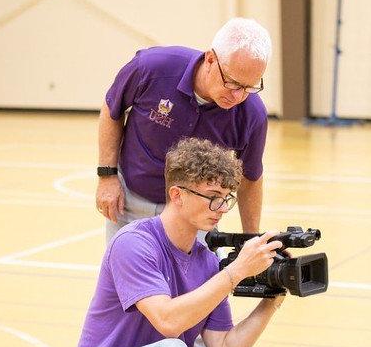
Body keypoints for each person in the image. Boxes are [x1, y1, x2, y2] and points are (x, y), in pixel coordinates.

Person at [63, 138, 289, 347]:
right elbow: (168, 321)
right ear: (177, 195)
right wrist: (235, 272)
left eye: (226, 198)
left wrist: (272, 298)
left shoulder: (206, 261)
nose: (222, 209)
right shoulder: (134, 243)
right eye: (212, 198)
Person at [95, 17, 272, 243]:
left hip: (195, 217)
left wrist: (250, 239)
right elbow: (112, 109)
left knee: (200, 280)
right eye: (233, 83)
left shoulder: (252, 114)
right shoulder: (151, 68)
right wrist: (107, 176)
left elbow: (251, 177)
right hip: (130, 204)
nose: (238, 96)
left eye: (249, 87)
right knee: (127, 275)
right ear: (210, 59)